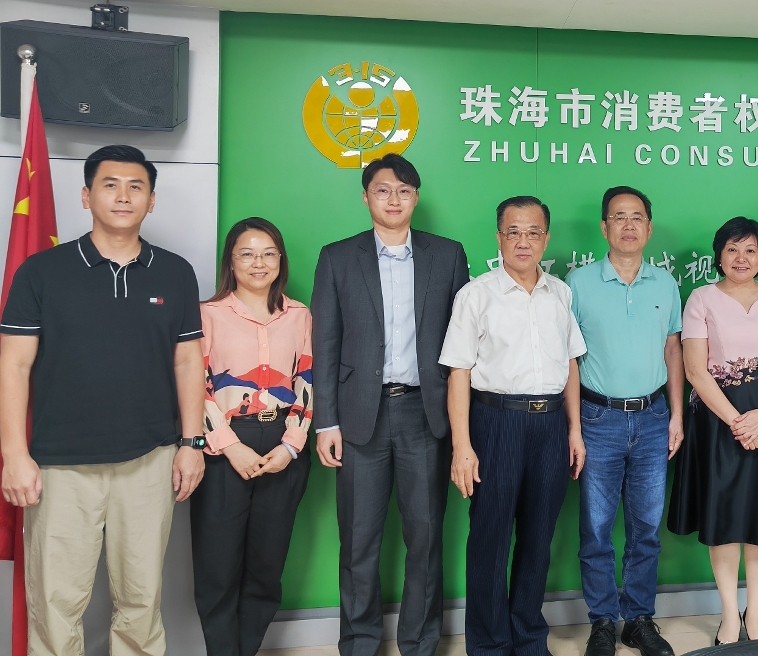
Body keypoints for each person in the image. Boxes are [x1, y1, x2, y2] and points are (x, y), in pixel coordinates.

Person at [0, 145, 206, 655]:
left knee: (142, 599)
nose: (123, 196)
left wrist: (192, 443)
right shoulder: (41, 271)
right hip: (59, 465)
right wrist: (14, 455)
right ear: (86, 195)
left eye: (136, 187)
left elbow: (187, 363)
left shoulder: (175, 272)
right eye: (110, 185)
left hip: (150, 461)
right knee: (55, 602)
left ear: (151, 201)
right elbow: (13, 365)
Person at [311, 153, 470, 656]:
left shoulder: (448, 255)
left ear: (415, 198)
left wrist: (462, 426)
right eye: (383, 190)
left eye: (403, 190)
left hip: (426, 414)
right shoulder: (337, 257)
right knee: (359, 540)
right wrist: (326, 422)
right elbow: (326, 345)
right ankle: (359, 642)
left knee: (425, 537)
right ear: (366, 197)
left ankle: (420, 643)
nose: (393, 199)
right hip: (361, 416)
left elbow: (463, 343)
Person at [440, 195, 587, 656]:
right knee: (490, 536)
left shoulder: (560, 293)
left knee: (539, 537)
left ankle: (527, 637)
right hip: (495, 422)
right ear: (499, 238)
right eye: (514, 232)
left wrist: (574, 430)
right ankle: (488, 644)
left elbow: (571, 364)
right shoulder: (476, 294)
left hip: (550, 426)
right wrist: (462, 446)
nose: (524, 241)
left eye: (533, 232)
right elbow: (458, 372)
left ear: (546, 238)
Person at [667, 217, 758, 646]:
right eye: (732, 249)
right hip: (717, 424)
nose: (741, 258)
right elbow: (695, 369)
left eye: (750, 249)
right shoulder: (701, 298)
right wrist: (737, 421)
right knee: (725, 518)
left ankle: (757, 613)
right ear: (719, 256)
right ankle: (730, 614)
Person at [191, 217, 314, 655]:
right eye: (247, 253)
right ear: (231, 261)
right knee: (217, 567)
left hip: (282, 445)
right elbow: (195, 385)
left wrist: (291, 445)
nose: (258, 263)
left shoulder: (299, 315)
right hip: (223, 446)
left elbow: (307, 380)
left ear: (280, 260)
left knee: (266, 565)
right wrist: (229, 446)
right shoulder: (207, 314)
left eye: (268, 253)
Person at [568, 187, 683, 656]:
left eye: (637, 217)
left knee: (645, 528)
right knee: (596, 529)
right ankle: (601, 621)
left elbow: (673, 350)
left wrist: (676, 415)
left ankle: (638, 619)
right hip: (598, 418)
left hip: (654, 417)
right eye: (619, 217)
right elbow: (568, 359)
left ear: (649, 228)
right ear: (604, 227)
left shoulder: (666, 283)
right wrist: (573, 426)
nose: (629, 225)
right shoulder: (578, 283)